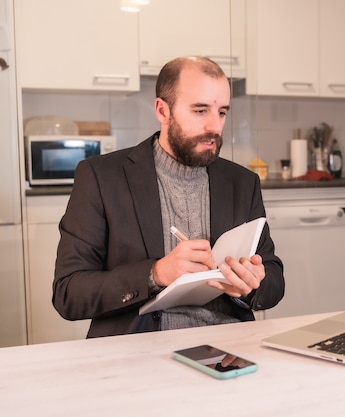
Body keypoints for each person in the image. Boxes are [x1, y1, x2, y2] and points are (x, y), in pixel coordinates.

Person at [53, 56, 285, 338]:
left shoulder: (242, 182)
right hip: (141, 350)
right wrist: (156, 274)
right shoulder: (101, 177)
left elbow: (273, 279)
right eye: (200, 111)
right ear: (163, 111)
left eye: (222, 112)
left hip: (229, 347)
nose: (215, 126)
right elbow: (69, 293)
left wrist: (251, 286)